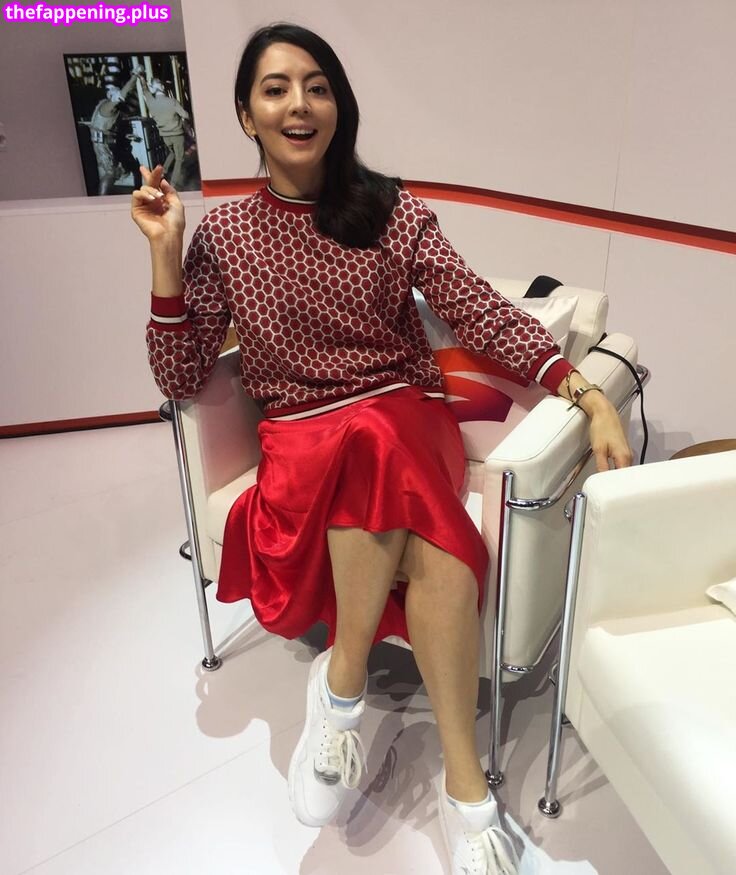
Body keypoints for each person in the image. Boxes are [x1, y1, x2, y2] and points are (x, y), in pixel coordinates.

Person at [131, 22, 632, 875]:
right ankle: (465, 796)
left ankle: (347, 689)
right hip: (302, 438)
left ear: (339, 106)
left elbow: (476, 308)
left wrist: (585, 393)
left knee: (377, 431)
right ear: (246, 115)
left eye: (317, 85)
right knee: (438, 548)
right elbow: (180, 374)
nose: (300, 104)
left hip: (407, 416)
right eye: (276, 88)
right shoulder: (227, 235)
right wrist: (166, 256)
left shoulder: (392, 209)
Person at [88, 68, 142, 194]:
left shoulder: (112, 109)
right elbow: (122, 94)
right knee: (111, 172)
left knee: (129, 168)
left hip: (108, 142)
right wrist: (135, 76)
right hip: (102, 144)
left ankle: (137, 193)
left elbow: (110, 129)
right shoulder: (107, 107)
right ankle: (102, 198)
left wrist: (126, 135)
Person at [136, 74, 191, 190]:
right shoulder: (172, 102)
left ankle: (161, 172)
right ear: (162, 87)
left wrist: (142, 79)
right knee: (179, 158)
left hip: (165, 136)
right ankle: (173, 185)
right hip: (177, 135)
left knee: (172, 152)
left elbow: (145, 90)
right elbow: (185, 115)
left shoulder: (150, 102)